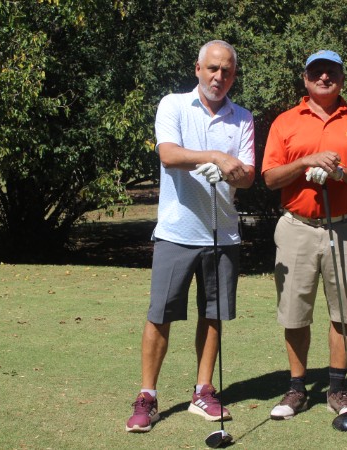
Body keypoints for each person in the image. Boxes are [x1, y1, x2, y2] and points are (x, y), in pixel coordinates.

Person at [125, 40, 255, 433]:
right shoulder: (174, 105)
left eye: (226, 71)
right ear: (198, 69)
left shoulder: (242, 117)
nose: (219, 77)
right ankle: (147, 396)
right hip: (176, 232)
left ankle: (203, 390)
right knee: (160, 315)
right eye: (212, 68)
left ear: (233, 75)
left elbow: (248, 175)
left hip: (222, 233)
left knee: (213, 314)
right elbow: (168, 154)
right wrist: (215, 157)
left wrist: (232, 171)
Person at [261, 50, 347, 424]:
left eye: (331, 71)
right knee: (294, 311)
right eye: (317, 71)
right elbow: (270, 178)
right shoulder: (285, 121)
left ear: (342, 78)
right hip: (296, 227)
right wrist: (305, 162)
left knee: (344, 311)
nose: (324, 77)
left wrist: (340, 174)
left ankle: (337, 388)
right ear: (305, 78)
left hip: (345, 228)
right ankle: (297, 389)